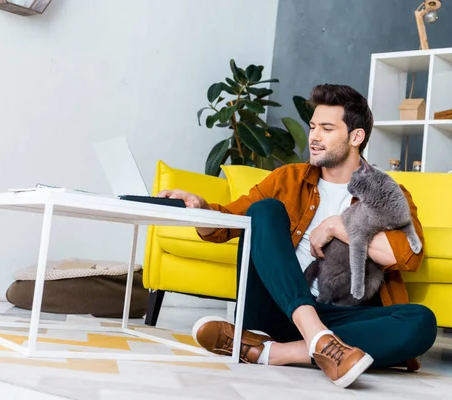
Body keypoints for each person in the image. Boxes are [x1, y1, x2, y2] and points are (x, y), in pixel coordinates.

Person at [157, 84, 437, 388]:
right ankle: (317, 338)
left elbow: (408, 255)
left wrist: (335, 226)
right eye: (313, 127)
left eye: (327, 129)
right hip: (280, 310)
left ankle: (272, 352)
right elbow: (225, 225)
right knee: (263, 210)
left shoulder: (386, 193)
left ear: (356, 137)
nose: (314, 137)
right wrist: (199, 208)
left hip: (339, 318)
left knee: (421, 323)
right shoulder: (287, 179)